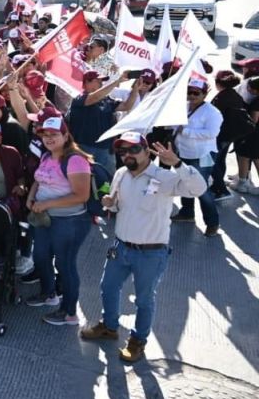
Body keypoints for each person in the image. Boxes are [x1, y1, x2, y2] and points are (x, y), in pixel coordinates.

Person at [80, 133, 206, 363]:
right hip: (121, 247)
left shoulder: (165, 177)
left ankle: (138, 341)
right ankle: (109, 327)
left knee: (144, 300)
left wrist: (177, 163)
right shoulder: (120, 174)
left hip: (151, 252)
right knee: (108, 287)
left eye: (134, 149)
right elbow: (118, 206)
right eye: (122, 151)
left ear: (147, 152)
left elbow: (199, 189)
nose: (127, 154)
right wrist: (111, 203)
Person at [25, 116, 92, 326]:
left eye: (54, 134)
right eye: (45, 135)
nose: (49, 138)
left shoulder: (75, 160)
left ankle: (69, 313)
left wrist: (46, 204)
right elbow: (39, 180)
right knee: (40, 256)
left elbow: (82, 196)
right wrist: (31, 196)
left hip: (69, 222)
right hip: (45, 219)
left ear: (65, 135)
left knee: (65, 265)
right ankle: (48, 294)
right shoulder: (46, 156)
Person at [170, 77, 223, 236]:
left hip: (203, 155)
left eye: (196, 93)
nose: (191, 95)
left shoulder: (213, 112)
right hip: (184, 152)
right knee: (185, 183)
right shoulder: (184, 107)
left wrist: (185, 131)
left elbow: (212, 133)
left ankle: (212, 222)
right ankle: (187, 212)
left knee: (201, 188)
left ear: (204, 94)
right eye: (189, 92)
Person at [66, 70, 131, 174]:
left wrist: (136, 88)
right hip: (83, 148)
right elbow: (94, 97)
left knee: (107, 184)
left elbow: (127, 106)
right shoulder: (79, 98)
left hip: (105, 150)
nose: (101, 83)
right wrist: (117, 81)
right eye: (98, 80)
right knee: (85, 180)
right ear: (87, 82)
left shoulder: (107, 100)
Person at [209, 70, 248, 201]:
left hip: (221, 135)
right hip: (229, 135)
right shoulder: (236, 95)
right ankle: (217, 186)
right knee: (220, 160)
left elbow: (213, 116)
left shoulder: (222, 97)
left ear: (219, 83)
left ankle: (221, 189)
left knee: (212, 161)